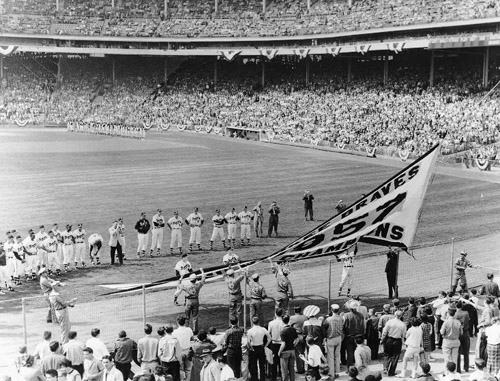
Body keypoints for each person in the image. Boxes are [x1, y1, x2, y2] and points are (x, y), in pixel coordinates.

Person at [381, 310, 406, 376]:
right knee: (395, 356)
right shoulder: (402, 324)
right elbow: (403, 335)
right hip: (397, 340)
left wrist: (382, 339)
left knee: (387, 354)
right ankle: (391, 371)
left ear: (395, 315)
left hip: (389, 339)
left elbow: (385, 331)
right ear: (401, 316)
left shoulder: (389, 322)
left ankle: (385, 367)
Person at [247, 316, 271, 381]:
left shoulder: (250, 331)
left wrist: (251, 348)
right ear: (258, 321)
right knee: (262, 365)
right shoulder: (263, 329)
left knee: (253, 365)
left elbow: (248, 342)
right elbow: (269, 338)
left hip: (253, 347)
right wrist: (266, 345)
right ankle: (262, 378)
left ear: (252, 322)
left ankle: (255, 379)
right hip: (261, 347)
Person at [322, 304, 342, 379]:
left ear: (331, 310)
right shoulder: (341, 318)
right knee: (337, 355)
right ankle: (337, 372)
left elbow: (324, 326)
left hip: (331, 338)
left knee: (330, 357)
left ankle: (331, 373)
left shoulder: (328, 319)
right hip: (338, 337)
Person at [172, 316, 193, 381]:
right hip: (187, 351)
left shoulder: (175, 332)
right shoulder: (189, 330)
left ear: (177, 322)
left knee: (180, 369)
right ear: (185, 322)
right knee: (188, 369)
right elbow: (192, 339)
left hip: (179, 352)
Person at [279, 315, 298, 381]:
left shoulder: (283, 331)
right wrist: (294, 345)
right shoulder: (293, 329)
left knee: (284, 370)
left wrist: (279, 352)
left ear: (282, 321)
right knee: (291, 369)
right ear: (289, 320)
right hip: (292, 350)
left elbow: (283, 344)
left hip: (285, 352)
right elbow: (296, 339)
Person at [268, 308, 285, 381]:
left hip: (274, 343)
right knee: (282, 362)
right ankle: (282, 376)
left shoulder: (271, 323)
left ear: (275, 313)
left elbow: (268, 333)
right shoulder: (284, 323)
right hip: (282, 344)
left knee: (274, 362)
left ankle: (274, 377)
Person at [290, 306, 308, 374]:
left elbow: (290, 326)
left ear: (295, 311)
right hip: (304, 336)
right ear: (300, 310)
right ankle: (303, 367)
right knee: (303, 352)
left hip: (297, 336)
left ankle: (300, 369)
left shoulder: (292, 318)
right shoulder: (305, 317)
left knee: (298, 353)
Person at [455, 301, 470, 373]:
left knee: (457, 352)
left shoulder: (455, 314)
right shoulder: (466, 313)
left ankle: (458, 369)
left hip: (458, 334)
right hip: (466, 333)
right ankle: (466, 367)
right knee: (466, 352)